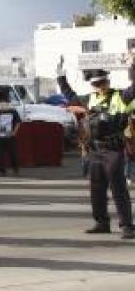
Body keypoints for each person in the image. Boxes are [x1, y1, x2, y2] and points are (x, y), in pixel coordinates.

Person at [57, 58, 134, 239]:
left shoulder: (120, 97)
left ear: (108, 81)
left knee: (118, 188)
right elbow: (70, 96)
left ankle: (127, 226)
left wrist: (133, 65)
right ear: (93, 85)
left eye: (103, 81)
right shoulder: (89, 99)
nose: (101, 85)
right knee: (96, 187)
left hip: (114, 149)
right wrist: (60, 77)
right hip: (95, 150)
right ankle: (101, 223)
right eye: (97, 83)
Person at [0, 94, 21, 177]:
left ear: (7, 103)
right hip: (0, 136)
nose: (2, 105)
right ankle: (2, 170)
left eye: (4, 103)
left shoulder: (13, 112)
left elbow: (18, 122)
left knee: (12, 153)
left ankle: (15, 168)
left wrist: (15, 132)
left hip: (10, 136)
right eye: (0, 103)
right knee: (0, 154)